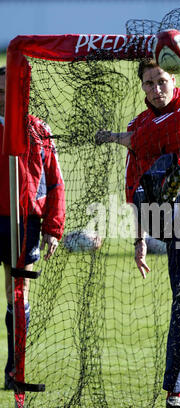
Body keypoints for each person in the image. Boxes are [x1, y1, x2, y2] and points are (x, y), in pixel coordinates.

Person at [95, 57, 180, 408]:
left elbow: (177, 133)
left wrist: (124, 138)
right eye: (149, 84)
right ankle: (169, 181)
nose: (157, 89)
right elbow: (131, 186)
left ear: (174, 76)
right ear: (142, 87)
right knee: (149, 183)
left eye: (162, 81)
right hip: (163, 216)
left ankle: (175, 394)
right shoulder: (140, 123)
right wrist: (139, 240)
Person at [0, 66, 65, 390]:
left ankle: (16, 371)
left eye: (10, 92)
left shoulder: (39, 130)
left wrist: (53, 227)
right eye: (0, 92)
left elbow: (55, 184)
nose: (5, 98)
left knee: (17, 293)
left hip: (24, 223)